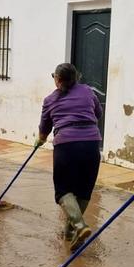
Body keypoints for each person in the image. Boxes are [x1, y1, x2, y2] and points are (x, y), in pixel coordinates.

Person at [36, 63, 102, 251]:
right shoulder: (88, 92)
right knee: (83, 189)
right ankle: (71, 232)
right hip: (91, 144)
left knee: (63, 191)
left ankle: (80, 226)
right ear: (76, 78)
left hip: (66, 146)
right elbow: (98, 113)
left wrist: (40, 140)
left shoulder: (50, 99)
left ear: (57, 79)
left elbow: (44, 127)